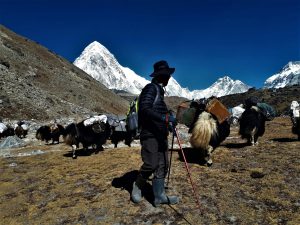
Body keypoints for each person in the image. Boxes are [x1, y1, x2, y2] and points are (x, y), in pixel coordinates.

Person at [131, 60, 179, 206]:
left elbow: (157, 110)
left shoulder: (159, 92)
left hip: (160, 134)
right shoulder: (150, 88)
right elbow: (145, 108)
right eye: (167, 75)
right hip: (150, 134)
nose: (169, 77)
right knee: (151, 164)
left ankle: (159, 196)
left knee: (163, 164)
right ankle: (137, 185)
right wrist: (165, 117)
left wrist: (169, 123)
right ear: (161, 76)